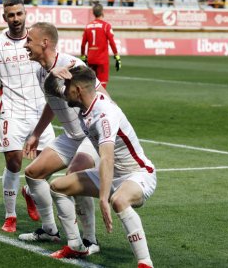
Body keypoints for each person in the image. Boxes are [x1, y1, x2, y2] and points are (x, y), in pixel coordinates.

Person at [46, 65, 156, 267]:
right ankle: (76, 245)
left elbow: (107, 159)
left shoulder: (104, 114)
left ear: (77, 90)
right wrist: (53, 75)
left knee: (117, 200)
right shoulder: (81, 101)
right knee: (58, 187)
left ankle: (145, 263)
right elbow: (51, 89)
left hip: (138, 174)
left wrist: (103, 199)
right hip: (112, 175)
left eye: (67, 85)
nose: (64, 88)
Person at [17, 22, 110, 255]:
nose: (26, 44)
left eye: (30, 40)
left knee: (73, 179)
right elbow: (52, 103)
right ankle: (49, 230)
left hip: (91, 135)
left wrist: (109, 131)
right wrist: (36, 134)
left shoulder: (72, 65)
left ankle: (89, 240)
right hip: (71, 136)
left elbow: (102, 95)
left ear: (45, 43)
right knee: (33, 173)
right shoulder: (41, 71)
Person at [0, 0, 55, 233]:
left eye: (19, 14)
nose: (16, 18)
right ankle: (10, 216)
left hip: (40, 111)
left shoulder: (37, 39)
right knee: (14, 163)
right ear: (4, 18)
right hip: (12, 111)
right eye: (11, 15)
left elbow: (52, 62)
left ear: (26, 14)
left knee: (46, 165)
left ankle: (29, 191)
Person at [81, 3, 121, 89]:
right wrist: (117, 57)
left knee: (91, 83)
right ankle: (99, 101)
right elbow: (112, 42)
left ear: (93, 13)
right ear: (102, 12)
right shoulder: (106, 26)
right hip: (102, 60)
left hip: (91, 59)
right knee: (102, 85)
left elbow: (83, 44)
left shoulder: (88, 26)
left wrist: (83, 57)